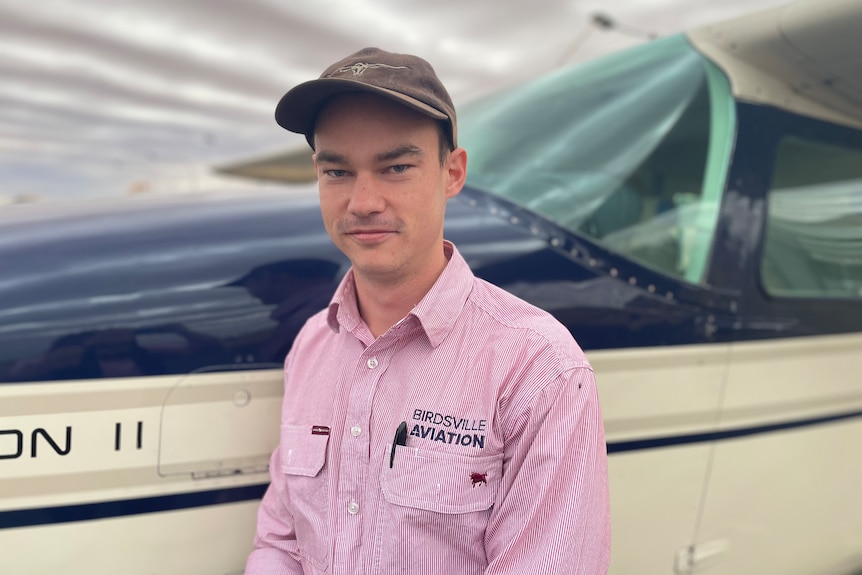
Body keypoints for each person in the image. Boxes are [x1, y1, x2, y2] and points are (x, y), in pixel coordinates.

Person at [246, 47, 610, 575]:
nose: (363, 201)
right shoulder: (312, 344)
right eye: (338, 171)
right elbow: (280, 545)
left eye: (396, 166)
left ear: (452, 172)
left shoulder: (538, 365)